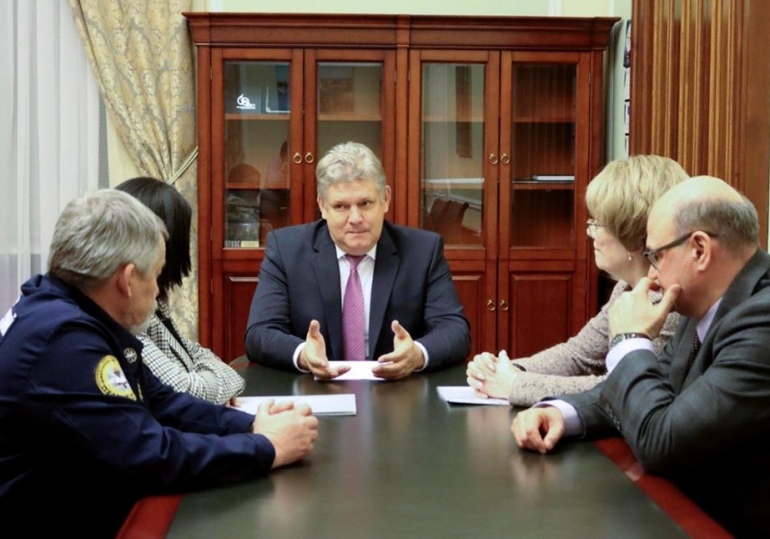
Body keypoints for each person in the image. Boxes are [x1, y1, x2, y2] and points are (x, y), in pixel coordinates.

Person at [0, 189, 319, 537]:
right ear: (127, 280)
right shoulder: (63, 341)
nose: (157, 289)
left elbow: (161, 401)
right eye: (155, 274)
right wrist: (268, 447)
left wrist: (252, 424)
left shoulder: (73, 314)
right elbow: (147, 455)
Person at [512, 176, 770, 536]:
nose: (651, 273)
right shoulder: (705, 301)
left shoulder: (762, 321)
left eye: (657, 256)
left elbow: (663, 442)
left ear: (699, 250)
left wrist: (630, 339)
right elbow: (651, 386)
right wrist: (562, 413)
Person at [466, 155, 688, 406]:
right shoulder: (628, 287)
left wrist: (515, 384)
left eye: (598, 223)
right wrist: (503, 370)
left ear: (634, 237)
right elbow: (579, 355)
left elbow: (620, 389)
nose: (589, 232)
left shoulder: (668, 304)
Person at [245, 141, 470, 380]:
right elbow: (260, 332)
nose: (355, 218)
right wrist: (302, 355)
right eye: (341, 206)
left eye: (365, 204)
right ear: (323, 206)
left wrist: (417, 354)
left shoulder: (423, 251)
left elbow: (455, 330)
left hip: (397, 391)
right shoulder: (286, 250)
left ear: (385, 199)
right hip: (315, 391)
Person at [115, 177, 245, 405]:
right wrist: (217, 383)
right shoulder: (126, 314)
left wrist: (212, 377)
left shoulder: (154, 304)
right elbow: (189, 393)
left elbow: (195, 352)